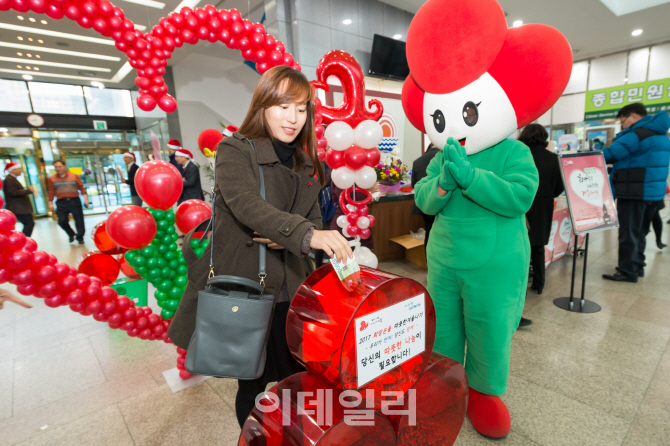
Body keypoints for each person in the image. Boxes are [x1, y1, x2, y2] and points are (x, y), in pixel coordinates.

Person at [167, 65, 353, 428]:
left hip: (293, 291)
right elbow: (245, 204)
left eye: (302, 109)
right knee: (251, 384)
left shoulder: (306, 162)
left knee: (295, 380)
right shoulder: (236, 149)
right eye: (284, 105)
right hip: (246, 289)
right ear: (263, 105)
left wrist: (296, 234)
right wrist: (300, 234)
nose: (293, 117)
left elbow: (313, 220)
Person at [600, 103, 670, 283]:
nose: (622, 125)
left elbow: (610, 154)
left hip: (634, 191)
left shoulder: (636, 134)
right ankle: (637, 266)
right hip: (653, 193)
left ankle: (627, 271)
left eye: (622, 120)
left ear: (632, 116)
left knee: (628, 233)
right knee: (640, 232)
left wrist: (586, 155)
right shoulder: (661, 135)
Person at [519, 124, 564, 327]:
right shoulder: (553, 159)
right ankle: (539, 283)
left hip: (522, 204)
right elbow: (559, 187)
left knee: (520, 246)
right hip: (544, 204)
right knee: (538, 245)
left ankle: (519, 285)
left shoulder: (520, 156)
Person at [47, 159, 90, 244]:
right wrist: (50, 202)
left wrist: (86, 199)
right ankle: (71, 233)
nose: (58, 168)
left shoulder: (74, 176)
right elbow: (51, 191)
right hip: (61, 202)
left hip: (74, 201)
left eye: (60, 166)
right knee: (61, 221)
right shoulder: (52, 178)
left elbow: (81, 188)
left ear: (64, 166)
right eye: (56, 167)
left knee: (79, 220)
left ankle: (80, 237)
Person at [411, 143, 442, 250]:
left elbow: (414, 185)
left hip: (426, 204)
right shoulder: (445, 158)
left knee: (429, 231)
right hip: (443, 203)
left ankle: (428, 262)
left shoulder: (417, 161)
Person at [2, 162, 35, 236]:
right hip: (19, 208)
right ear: (13, 170)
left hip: (20, 208)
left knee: (29, 223)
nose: (21, 170)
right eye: (19, 169)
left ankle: (23, 239)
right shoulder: (9, 179)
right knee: (29, 223)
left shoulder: (12, 179)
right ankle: (23, 240)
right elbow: (12, 192)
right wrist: (28, 191)